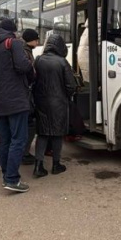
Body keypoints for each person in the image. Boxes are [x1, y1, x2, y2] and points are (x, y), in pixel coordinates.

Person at [0, 18, 35, 193]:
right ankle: (12, 179)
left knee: (5, 140)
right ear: (13, 31)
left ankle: (6, 176)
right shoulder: (14, 43)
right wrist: (30, 67)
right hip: (16, 99)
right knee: (19, 139)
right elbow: (23, 66)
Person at [32, 34, 77, 177]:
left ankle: (38, 166)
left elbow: (32, 80)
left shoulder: (38, 60)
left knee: (43, 133)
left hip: (41, 102)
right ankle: (56, 165)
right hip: (58, 103)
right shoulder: (63, 62)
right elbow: (71, 86)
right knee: (57, 134)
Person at [20, 28, 41, 165]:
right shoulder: (25, 52)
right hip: (25, 94)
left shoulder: (26, 51)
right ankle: (24, 153)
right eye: (36, 39)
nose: (38, 41)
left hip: (23, 93)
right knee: (29, 124)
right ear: (31, 40)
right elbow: (29, 73)